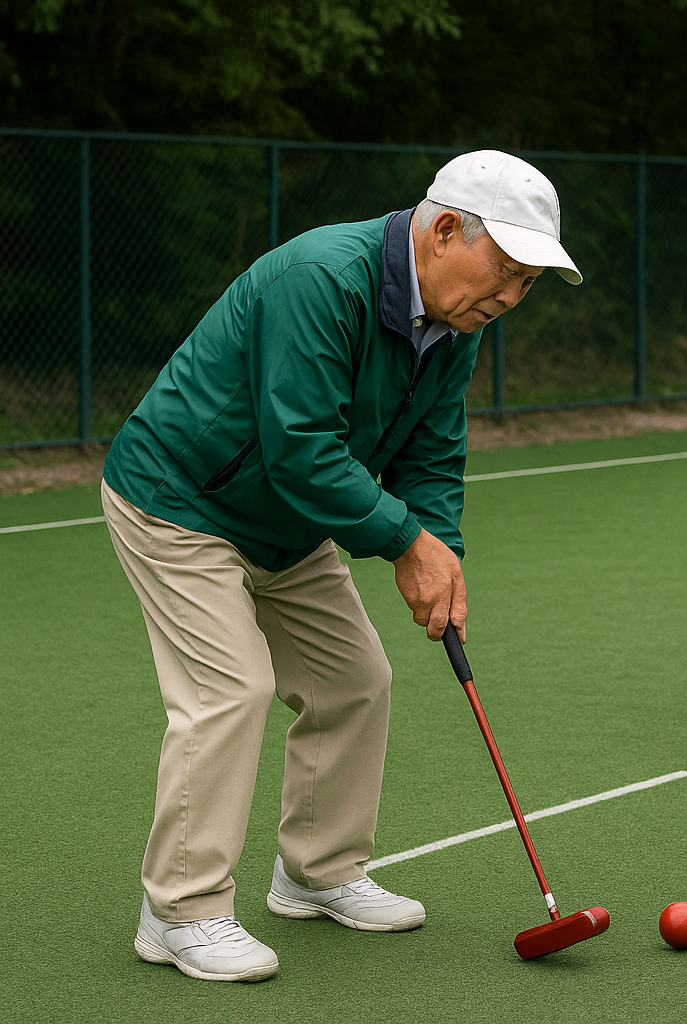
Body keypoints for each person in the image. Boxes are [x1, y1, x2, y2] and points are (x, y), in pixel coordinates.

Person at [101, 150, 582, 981]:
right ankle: (179, 911)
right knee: (230, 689)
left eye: (528, 283)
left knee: (355, 679)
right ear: (443, 231)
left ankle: (317, 873)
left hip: (288, 524)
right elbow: (299, 446)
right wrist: (404, 542)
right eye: (505, 270)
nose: (510, 296)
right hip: (181, 499)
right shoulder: (322, 277)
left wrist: (440, 553)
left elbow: (433, 455)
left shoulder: (454, 326)